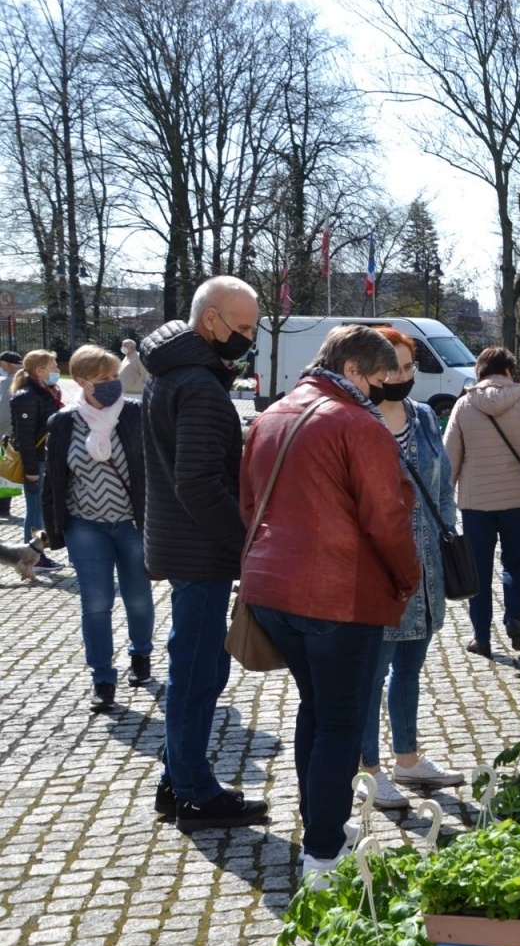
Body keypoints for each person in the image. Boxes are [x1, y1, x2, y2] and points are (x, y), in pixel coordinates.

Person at [241, 325, 419, 883]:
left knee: (316, 710)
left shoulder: (271, 414)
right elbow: (387, 518)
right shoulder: (356, 423)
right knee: (339, 721)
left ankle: (323, 821)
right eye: (379, 380)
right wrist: (407, 578)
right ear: (353, 372)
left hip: (273, 588)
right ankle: (322, 853)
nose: (384, 390)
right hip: (338, 594)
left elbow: (248, 503)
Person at [141, 275, 266, 832]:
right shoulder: (197, 384)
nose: (247, 339)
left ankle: (177, 778)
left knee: (202, 667)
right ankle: (193, 792)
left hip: (183, 543)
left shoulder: (175, 373)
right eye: (241, 328)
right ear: (209, 321)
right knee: (195, 671)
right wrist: (244, 543)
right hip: (200, 549)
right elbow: (196, 482)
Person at [358, 326, 466, 810]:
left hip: (426, 569)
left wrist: (446, 535)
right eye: (394, 367)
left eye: (408, 366)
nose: (403, 375)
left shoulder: (423, 416)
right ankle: (369, 769)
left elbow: (443, 485)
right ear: (372, 371)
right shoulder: (356, 421)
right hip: (378, 573)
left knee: (410, 669)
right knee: (371, 674)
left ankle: (407, 757)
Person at [42, 345, 154, 711]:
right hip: (85, 526)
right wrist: (53, 530)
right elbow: (54, 480)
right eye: (102, 379)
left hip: (132, 524)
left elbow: (153, 469)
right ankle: (103, 679)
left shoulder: (136, 415)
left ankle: (141, 656)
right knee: (96, 603)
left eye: (113, 377)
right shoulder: (63, 423)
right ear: (82, 381)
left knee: (138, 598)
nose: (111, 384)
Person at [443, 346, 520, 657]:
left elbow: (449, 458)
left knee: (478, 571)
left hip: (476, 504)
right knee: (515, 562)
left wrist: (444, 496)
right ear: (509, 371)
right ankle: (513, 618)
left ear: (479, 372)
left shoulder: (464, 405)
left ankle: (481, 637)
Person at [10, 350, 64, 564]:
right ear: (39, 370)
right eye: (54, 367)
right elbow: (25, 438)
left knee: (42, 508)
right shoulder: (27, 397)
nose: (58, 371)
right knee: (35, 510)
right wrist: (31, 470)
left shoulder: (47, 393)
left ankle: (38, 556)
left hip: (46, 458)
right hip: (36, 461)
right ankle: (31, 558)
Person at [0, 351, 27, 517]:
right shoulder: (26, 378)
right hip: (18, 433)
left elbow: (4, 413)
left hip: (7, 435)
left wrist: (3, 434)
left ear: (6, 364)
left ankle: (3, 507)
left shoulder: (11, 381)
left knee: (5, 470)